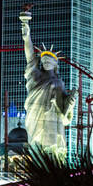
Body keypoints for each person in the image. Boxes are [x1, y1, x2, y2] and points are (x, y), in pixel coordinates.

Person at [19, 8, 77, 158]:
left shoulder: (59, 82)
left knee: (53, 150)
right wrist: (27, 36)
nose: (45, 62)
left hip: (53, 120)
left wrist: (70, 103)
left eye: (49, 61)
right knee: (37, 149)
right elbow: (30, 58)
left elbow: (64, 115)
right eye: (43, 60)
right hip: (36, 116)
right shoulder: (36, 76)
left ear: (55, 64)